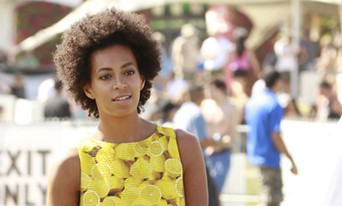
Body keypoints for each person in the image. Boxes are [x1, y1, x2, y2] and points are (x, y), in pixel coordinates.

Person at [48, 8, 207, 206]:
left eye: (129, 72)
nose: (120, 83)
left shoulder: (184, 147)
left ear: (142, 78)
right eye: (105, 76)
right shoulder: (70, 165)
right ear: (88, 88)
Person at [245, 70, 298, 206]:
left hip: (256, 153)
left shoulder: (253, 101)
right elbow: (275, 135)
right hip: (269, 157)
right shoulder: (273, 103)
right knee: (271, 198)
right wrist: (290, 158)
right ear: (278, 81)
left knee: (267, 194)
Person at [173, 85, 221, 206]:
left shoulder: (182, 110)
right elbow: (201, 140)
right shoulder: (196, 112)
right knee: (210, 199)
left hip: (177, 157)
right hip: (195, 159)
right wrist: (217, 142)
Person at [201, 79, 239, 193]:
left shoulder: (231, 106)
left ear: (221, 89)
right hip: (205, 153)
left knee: (215, 191)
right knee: (203, 192)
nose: (208, 92)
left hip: (222, 152)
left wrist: (221, 143)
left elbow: (232, 132)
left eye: (212, 89)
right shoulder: (205, 104)